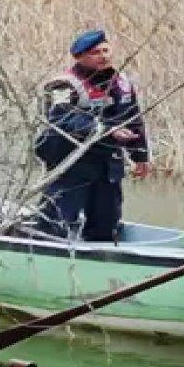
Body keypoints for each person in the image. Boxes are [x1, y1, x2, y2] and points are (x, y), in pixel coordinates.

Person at [34, 29, 150, 241]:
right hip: (72, 161)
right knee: (56, 220)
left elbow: (133, 118)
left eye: (106, 50)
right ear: (80, 57)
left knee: (106, 220)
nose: (104, 56)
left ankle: (101, 254)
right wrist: (107, 130)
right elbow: (63, 120)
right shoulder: (64, 84)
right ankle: (45, 250)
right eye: (95, 53)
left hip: (107, 163)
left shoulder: (121, 82)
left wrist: (140, 156)